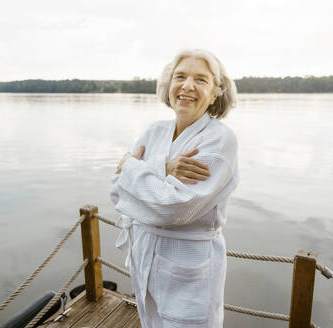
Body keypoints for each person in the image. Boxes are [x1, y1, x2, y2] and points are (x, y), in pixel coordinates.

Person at [110, 48, 238, 328]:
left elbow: (172, 209)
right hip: (144, 254)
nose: (187, 85)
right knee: (149, 321)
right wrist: (163, 169)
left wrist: (132, 169)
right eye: (180, 76)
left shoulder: (220, 141)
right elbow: (116, 190)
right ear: (169, 85)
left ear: (216, 92)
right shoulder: (154, 132)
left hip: (188, 263)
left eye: (201, 80)